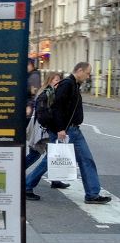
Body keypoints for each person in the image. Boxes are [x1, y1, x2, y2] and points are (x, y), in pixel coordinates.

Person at [25, 62, 111, 204]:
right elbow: (57, 108)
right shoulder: (68, 84)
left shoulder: (74, 85)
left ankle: (92, 194)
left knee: (85, 159)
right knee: (53, 161)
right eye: (88, 73)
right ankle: (28, 185)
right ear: (79, 70)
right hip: (66, 130)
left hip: (73, 130)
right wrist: (60, 129)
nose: (88, 76)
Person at [26, 72, 70, 191]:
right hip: (43, 129)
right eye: (56, 80)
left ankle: (55, 179)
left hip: (44, 129)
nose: (58, 82)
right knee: (40, 155)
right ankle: (24, 181)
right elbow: (44, 114)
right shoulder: (47, 93)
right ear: (49, 80)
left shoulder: (50, 92)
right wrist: (53, 125)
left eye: (59, 80)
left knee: (50, 155)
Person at [26, 58, 41, 124]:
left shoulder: (34, 76)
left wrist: (30, 106)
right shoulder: (30, 75)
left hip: (29, 109)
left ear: (30, 65)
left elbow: (35, 94)